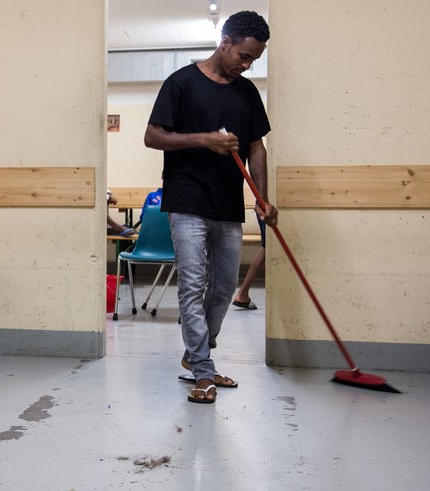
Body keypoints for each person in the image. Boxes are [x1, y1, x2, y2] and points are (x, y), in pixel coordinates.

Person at [144, 10, 278, 404]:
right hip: (187, 199)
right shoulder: (181, 82)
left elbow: (256, 147)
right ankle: (202, 369)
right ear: (225, 42)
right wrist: (203, 140)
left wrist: (262, 197)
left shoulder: (246, 92)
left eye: (254, 59)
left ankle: (195, 354)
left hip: (227, 202)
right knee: (191, 283)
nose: (247, 64)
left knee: (223, 287)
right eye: (244, 55)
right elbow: (152, 136)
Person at [233, 217, 266, 309]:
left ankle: (243, 293)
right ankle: (242, 293)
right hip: (267, 208)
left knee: (267, 248)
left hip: (265, 207)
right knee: (267, 247)